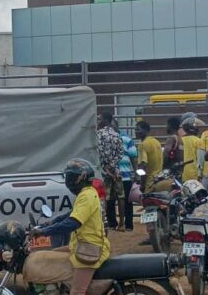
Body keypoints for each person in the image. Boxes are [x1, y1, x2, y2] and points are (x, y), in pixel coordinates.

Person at [31, 159, 110, 295]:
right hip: (80, 244)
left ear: (79, 178)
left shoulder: (86, 195)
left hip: (89, 248)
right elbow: (72, 214)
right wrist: (51, 222)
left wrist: (44, 232)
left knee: (77, 291)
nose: (68, 181)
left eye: (70, 177)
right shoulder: (86, 193)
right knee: (50, 255)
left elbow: (73, 222)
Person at [96, 112, 123, 230]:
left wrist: (106, 168)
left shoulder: (99, 134)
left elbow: (99, 152)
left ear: (105, 120)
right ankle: (122, 223)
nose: (98, 122)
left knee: (104, 196)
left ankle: (103, 222)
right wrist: (113, 165)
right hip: (116, 170)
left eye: (99, 119)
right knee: (121, 196)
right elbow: (121, 153)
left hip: (104, 171)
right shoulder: (117, 135)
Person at [114, 124, 137, 232]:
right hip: (111, 175)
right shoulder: (106, 137)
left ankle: (128, 225)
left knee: (127, 201)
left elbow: (133, 156)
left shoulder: (126, 139)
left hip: (125, 175)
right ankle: (113, 223)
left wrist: (136, 173)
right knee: (111, 201)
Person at [135, 120, 162, 193]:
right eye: (135, 130)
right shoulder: (156, 142)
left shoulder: (142, 144)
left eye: (138, 129)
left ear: (146, 130)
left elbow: (142, 166)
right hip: (159, 179)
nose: (136, 132)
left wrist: (142, 184)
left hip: (149, 182)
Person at [180, 117, 206, 182]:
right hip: (194, 174)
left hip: (181, 173)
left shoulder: (180, 140)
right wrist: (200, 174)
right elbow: (201, 159)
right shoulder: (198, 141)